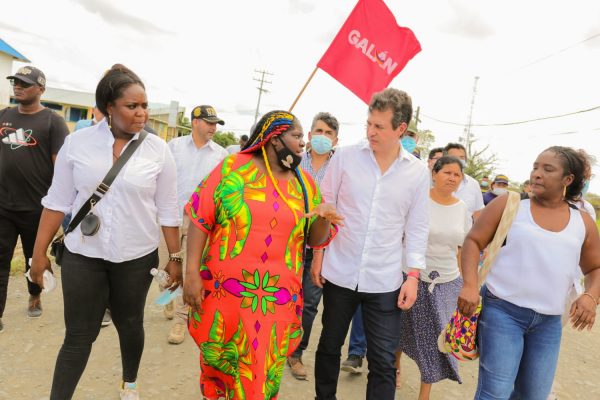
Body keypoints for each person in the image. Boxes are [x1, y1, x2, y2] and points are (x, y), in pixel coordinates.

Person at [29, 64, 182, 400]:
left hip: (136, 257)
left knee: (130, 325)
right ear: (108, 108)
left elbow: (169, 209)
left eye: (144, 105)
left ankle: (129, 383)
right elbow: (56, 202)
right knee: (78, 335)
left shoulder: (158, 150)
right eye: (132, 106)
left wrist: (175, 258)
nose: (142, 113)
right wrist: (38, 254)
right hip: (84, 255)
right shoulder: (78, 143)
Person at [183, 110, 342, 400]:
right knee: (221, 364)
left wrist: (323, 219)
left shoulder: (304, 184)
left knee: (261, 375)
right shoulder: (233, 168)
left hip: (274, 301)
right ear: (273, 138)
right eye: (296, 135)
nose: (302, 143)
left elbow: (314, 240)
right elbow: (199, 217)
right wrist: (191, 272)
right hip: (225, 295)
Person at [312, 88, 430, 400]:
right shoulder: (346, 159)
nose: (371, 131)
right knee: (329, 345)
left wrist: (413, 277)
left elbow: (417, 228)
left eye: (379, 126)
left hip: (385, 280)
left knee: (382, 359)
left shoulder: (417, 173)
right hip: (340, 271)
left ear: (400, 129)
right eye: (369, 123)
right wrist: (318, 256)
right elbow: (326, 207)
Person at [457, 146, 600, 399]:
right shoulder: (510, 204)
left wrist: (590, 296)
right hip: (502, 312)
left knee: (533, 395)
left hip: (548, 323)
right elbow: (473, 241)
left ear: (567, 180)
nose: (536, 174)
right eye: (535, 167)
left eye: (547, 169)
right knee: (495, 392)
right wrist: (469, 285)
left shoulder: (583, 222)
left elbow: (595, 267)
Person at [396, 155, 472, 398]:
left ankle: (424, 393)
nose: (452, 178)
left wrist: (466, 282)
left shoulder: (461, 209)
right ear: (434, 173)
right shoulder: (418, 201)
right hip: (412, 277)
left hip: (447, 281)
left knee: (437, 338)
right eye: (447, 172)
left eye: (457, 174)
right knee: (402, 329)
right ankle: (394, 366)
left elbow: (463, 248)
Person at [0, 66, 69, 329]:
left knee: (33, 257)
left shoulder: (52, 122)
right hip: (3, 205)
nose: (18, 86)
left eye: (25, 84)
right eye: (15, 82)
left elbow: (61, 168)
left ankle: (34, 295)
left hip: (37, 208)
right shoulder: (3, 116)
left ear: (40, 89)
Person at [164, 104, 228, 345]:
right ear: (195, 122)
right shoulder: (174, 148)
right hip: (170, 217)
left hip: (199, 222)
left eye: (215, 124)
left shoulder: (221, 155)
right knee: (168, 264)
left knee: (191, 267)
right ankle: (167, 294)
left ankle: (181, 320)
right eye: (209, 123)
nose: (213, 127)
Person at [287, 111, 340, 380]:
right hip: (288, 244)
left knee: (309, 305)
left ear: (336, 139)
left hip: (321, 248)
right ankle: (274, 346)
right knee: (281, 298)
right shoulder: (292, 163)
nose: (322, 137)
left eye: (328, 133)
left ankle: (296, 354)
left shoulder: (340, 167)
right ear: (308, 135)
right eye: (318, 131)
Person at [443, 143, 484, 216]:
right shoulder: (433, 182)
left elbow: (479, 212)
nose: (458, 160)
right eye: (453, 157)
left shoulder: (474, 184)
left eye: (461, 157)